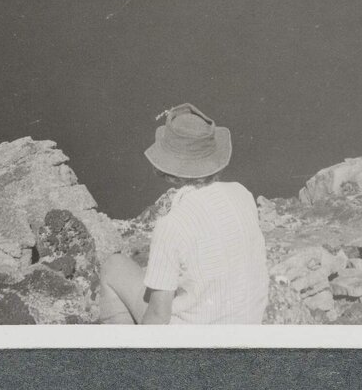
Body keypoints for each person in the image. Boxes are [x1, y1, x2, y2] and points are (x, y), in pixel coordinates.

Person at [99, 103, 269, 324]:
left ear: (169, 170)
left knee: (114, 266)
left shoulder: (173, 223)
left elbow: (158, 317)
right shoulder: (242, 194)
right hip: (246, 332)